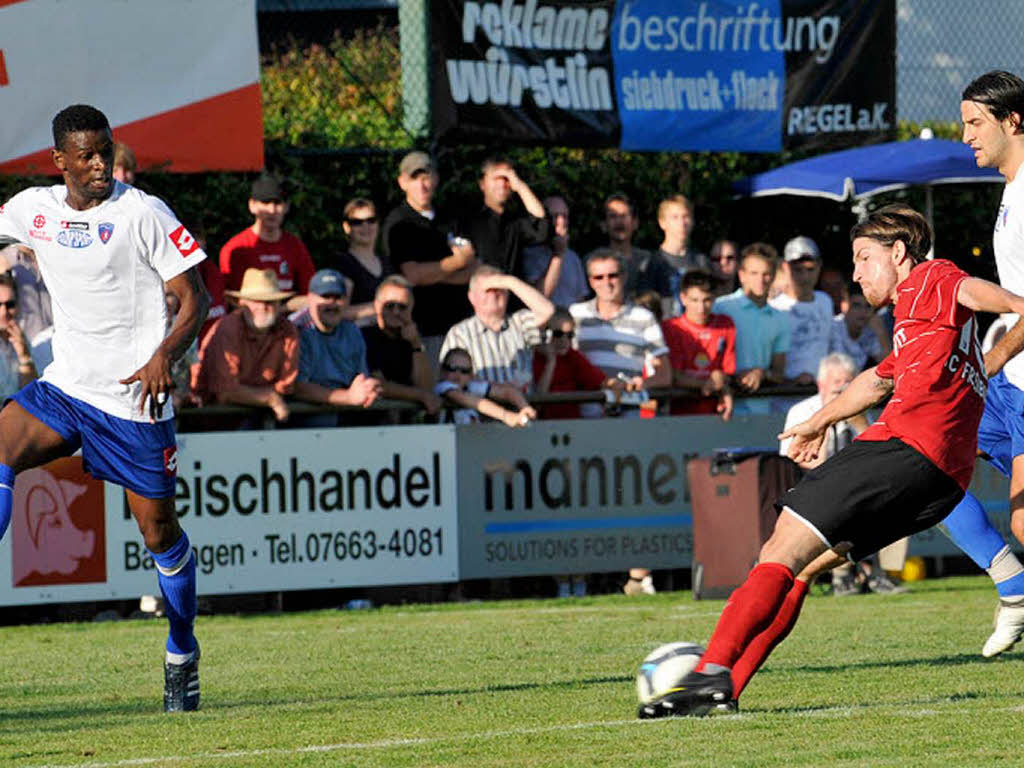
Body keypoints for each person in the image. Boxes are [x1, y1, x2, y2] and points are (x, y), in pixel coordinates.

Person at [639, 204, 1024, 719]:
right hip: (940, 482)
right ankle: (726, 688)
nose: (858, 272)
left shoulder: (930, 278)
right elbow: (876, 381)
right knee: (805, 568)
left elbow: (967, 287)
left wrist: (1016, 302)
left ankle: (708, 672)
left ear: (899, 253)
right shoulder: (919, 324)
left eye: (865, 258)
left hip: (905, 448)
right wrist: (819, 421)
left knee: (778, 551)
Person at [0, 104, 211, 711]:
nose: (101, 164)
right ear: (58, 160)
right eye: (87, 155)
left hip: (133, 401)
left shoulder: (142, 212)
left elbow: (191, 296)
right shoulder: (33, 208)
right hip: (67, 388)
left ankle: (181, 650)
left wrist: (163, 355)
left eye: (106, 150)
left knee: (158, 532)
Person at [939, 70, 1024, 657]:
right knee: (928, 465)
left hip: (1016, 379)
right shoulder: (1009, 190)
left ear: (1012, 121)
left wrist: (988, 358)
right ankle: (1014, 586)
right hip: (1012, 386)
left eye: (975, 123)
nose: (965, 135)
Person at [778, 352, 904, 596]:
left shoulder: (860, 411)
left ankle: (881, 574)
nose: (843, 391)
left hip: (856, 486)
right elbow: (798, 464)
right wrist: (826, 423)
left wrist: (858, 423)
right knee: (842, 505)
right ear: (821, 384)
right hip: (813, 487)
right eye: (837, 386)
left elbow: (878, 460)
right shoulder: (802, 412)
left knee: (898, 498)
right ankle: (842, 575)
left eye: (848, 385)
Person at [381, 151, 474, 369]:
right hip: (424, 331)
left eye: (427, 177)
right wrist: (457, 262)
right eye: (415, 178)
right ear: (402, 182)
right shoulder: (399, 224)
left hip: (462, 328)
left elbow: (475, 269)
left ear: (436, 179)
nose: (422, 185)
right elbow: (412, 275)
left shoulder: (450, 218)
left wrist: (433, 274)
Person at [193, 268, 298, 426]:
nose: (263, 307)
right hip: (214, 418)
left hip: (265, 414)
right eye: (256, 301)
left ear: (278, 304)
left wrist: (264, 397)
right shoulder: (228, 328)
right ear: (241, 303)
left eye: (269, 301)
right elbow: (225, 392)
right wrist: (269, 398)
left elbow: (286, 386)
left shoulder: (288, 330)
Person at [288, 269, 382, 424]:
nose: (332, 303)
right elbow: (297, 388)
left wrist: (368, 389)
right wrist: (348, 397)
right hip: (303, 421)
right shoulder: (295, 329)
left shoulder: (352, 331)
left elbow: (360, 379)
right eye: (325, 296)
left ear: (346, 301)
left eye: (338, 297)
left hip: (346, 415)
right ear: (310, 299)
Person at [440, 265, 554, 390]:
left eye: (500, 289)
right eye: (488, 290)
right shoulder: (460, 333)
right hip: (480, 406)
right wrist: (498, 390)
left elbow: (547, 311)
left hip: (523, 406)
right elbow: (449, 381)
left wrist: (509, 281)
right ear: (472, 297)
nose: (494, 294)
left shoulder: (520, 322)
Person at [219, 174, 314, 310]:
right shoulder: (235, 248)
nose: (272, 210)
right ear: (252, 205)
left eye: (278, 203)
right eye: (265, 202)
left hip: (288, 323)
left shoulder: (295, 246)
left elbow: (311, 297)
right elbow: (229, 298)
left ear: (287, 207)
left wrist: (279, 311)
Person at [712, 243, 789, 411]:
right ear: (742, 275)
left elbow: (778, 373)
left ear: (774, 275)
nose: (760, 280)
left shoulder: (781, 318)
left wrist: (762, 373)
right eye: (754, 273)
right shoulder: (721, 307)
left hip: (761, 408)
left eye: (766, 274)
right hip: (721, 406)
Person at [362, 275, 441, 418]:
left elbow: (427, 388)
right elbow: (377, 384)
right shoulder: (364, 337)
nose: (396, 312)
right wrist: (420, 396)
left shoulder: (412, 339)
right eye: (390, 306)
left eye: (402, 307)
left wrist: (416, 344)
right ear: (376, 305)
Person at [661, 270, 735, 419]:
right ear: (683, 298)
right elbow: (674, 376)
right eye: (695, 300)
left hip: (716, 414)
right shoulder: (672, 328)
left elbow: (728, 371)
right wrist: (708, 383)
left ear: (714, 298)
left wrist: (721, 378)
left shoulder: (725, 324)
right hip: (678, 415)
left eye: (706, 300)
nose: (701, 308)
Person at [459, 157, 548, 280]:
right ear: (482, 184)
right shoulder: (467, 220)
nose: (502, 184)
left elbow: (542, 227)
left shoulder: (516, 221)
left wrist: (520, 186)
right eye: (496, 178)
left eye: (506, 179)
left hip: (510, 295)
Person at [532, 310, 620, 420]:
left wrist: (618, 384)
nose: (564, 340)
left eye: (569, 335)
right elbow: (536, 406)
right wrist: (551, 362)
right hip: (538, 426)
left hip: (570, 426)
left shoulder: (572, 356)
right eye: (558, 334)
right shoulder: (532, 357)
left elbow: (601, 381)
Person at [770, 236, 834, 385]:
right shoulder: (774, 307)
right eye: (798, 270)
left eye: (810, 269)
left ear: (819, 267)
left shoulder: (825, 301)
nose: (805, 277)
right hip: (782, 394)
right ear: (785, 267)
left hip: (820, 394)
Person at [590, 193, 674, 300]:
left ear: (635, 222)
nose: (619, 222)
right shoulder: (593, 261)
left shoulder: (648, 261)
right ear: (604, 224)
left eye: (624, 216)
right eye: (613, 216)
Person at [435, 347, 537, 427]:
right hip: (446, 444)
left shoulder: (471, 386)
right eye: (452, 369)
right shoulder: (442, 387)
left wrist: (525, 407)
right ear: (442, 371)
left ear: (471, 375)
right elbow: (472, 401)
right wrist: (506, 416)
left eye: (464, 371)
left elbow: (507, 392)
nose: (457, 375)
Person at [520, 195, 588, 308]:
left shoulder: (573, 257)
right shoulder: (530, 255)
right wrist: (558, 256)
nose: (560, 222)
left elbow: (581, 300)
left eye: (565, 216)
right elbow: (539, 298)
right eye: (555, 216)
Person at [333, 197, 390, 325]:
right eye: (357, 222)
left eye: (371, 220)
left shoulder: (386, 262)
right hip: (359, 339)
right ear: (346, 227)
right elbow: (338, 311)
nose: (366, 226)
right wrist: (377, 307)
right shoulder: (344, 264)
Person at [829, 282, 891, 370]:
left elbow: (889, 366)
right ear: (843, 305)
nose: (863, 311)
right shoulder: (831, 327)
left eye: (868, 306)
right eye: (856, 306)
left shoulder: (870, 331)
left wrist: (881, 332)